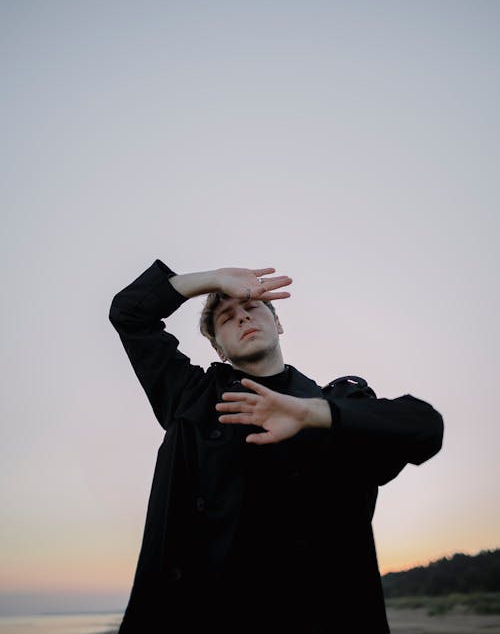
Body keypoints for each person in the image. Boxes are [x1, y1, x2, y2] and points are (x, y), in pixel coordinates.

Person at [109, 259, 443, 633]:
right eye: (226, 317)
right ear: (218, 348)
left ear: (278, 324)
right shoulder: (191, 397)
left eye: (251, 308)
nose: (241, 317)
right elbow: (130, 312)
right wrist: (215, 280)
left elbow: (425, 427)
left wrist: (313, 413)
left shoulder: (335, 404)